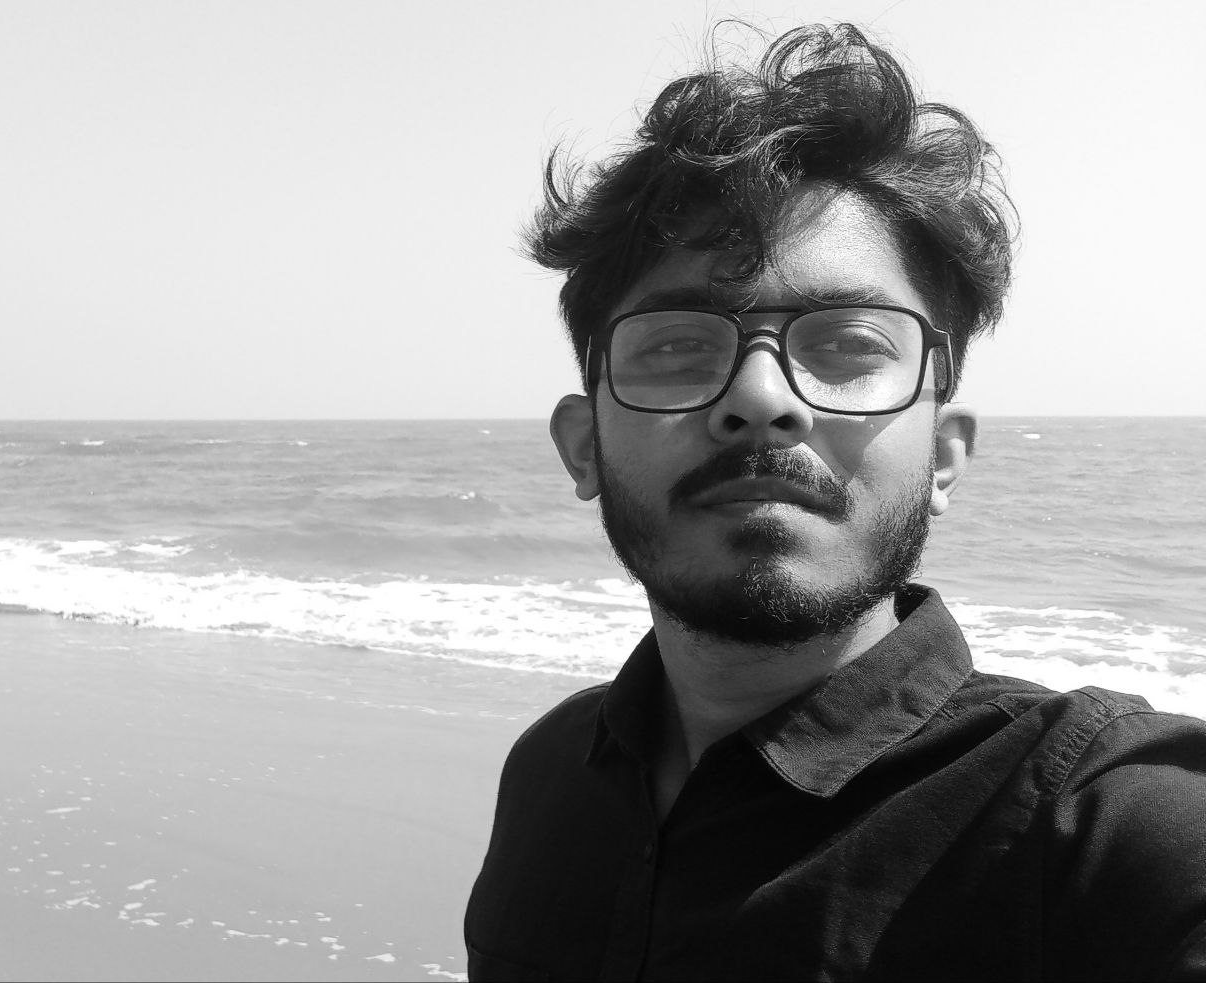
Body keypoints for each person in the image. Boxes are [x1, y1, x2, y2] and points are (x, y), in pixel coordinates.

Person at [465, 22, 1206, 982]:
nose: (760, 398)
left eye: (850, 344)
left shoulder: (1109, 830)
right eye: (678, 346)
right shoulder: (549, 769)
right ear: (583, 445)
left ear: (943, 454)